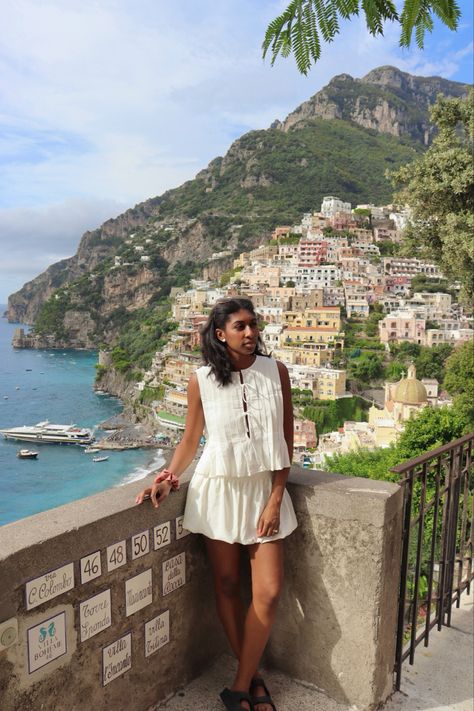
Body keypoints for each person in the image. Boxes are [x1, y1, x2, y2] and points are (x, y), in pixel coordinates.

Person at [136, 297, 297, 711]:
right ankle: (254, 681)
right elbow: (191, 440)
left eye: (253, 325)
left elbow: (286, 440)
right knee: (226, 585)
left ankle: (238, 685)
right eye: (240, 327)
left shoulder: (276, 372)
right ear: (221, 334)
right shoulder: (201, 379)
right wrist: (169, 479)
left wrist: (276, 497)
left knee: (269, 591)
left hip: (263, 491)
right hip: (216, 489)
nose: (250, 333)